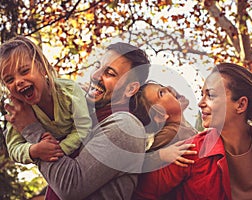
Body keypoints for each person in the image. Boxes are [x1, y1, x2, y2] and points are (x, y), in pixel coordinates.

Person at [4, 42, 151, 199]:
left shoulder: (125, 127)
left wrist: (31, 128)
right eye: (97, 66)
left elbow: (70, 186)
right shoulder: (86, 117)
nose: (95, 75)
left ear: (130, 89)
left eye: (109, 73)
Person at [133, 63, 252, 200]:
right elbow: (142, 193)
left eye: (211, 95)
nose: (200, 103)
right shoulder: (190, 152)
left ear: (241, 105)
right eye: (202, 95)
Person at [0, 36, 92, 164]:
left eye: (25, 71)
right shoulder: (18, 111)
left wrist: (59, 149)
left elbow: (83, 127)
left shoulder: (69, 91)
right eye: (10, 80)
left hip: (86, 147)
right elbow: (14, 148)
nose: (18, 81)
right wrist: (33, 150)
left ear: (42, 68)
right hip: (54, 161)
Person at [130, 82, 198, 170]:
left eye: (162, 87)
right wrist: (161, 155)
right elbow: (137, 162)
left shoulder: (183, 128)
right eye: (161, 93)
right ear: (160, 116)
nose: (168, 88)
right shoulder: (171, 132)